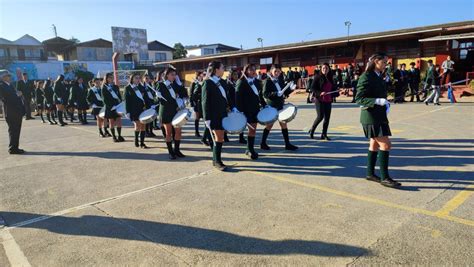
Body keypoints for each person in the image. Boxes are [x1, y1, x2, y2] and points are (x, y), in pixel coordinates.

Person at [355, 52, 401, 188]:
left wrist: (385, 101)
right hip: (371, 116)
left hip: (379, 115)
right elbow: (359, 98)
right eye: (384, 62)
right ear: (376, 61)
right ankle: (384, 177)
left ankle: (370, 173)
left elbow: (378, 93)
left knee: (374, 145)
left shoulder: (378, 75)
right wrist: (377, 101)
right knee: (386, 145)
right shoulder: (366, 76)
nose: (386, 64)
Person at [260, 64, 298, 151]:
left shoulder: (280, 80)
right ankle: (263, 143)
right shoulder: (267, 81)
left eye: (278, 71)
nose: (277, 73)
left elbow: (283, 92)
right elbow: (265, 94)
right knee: (269, 125)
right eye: (275, 71)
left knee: (283, 124)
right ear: (271, 71)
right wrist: (275, 93)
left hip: (280, 105)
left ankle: (287, 144)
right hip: (272, 106)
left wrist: (291, 90)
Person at [202, 61, 230, 170]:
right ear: (216, 69)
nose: (224, 70)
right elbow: (205, 102)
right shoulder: (208, 83)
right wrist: (206, 118)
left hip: (222, 113)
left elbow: (226, 97)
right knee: (219, 137)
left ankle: (215, 159)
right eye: (222, 67)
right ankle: (217, 161)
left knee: (220, 137)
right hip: (214, 115)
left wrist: (232, 107)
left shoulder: (222, 82)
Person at [157, 67, 186, 159]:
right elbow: (160, 100)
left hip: (176, 111)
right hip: (166, 111)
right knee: (168, 132)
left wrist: (180, 84)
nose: (174, 76)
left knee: (178, 132)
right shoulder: (161, 85)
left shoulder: (175, 84)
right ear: (166, 75)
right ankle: (170, 152)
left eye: (175, 75)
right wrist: (158, 96)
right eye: (172, 74)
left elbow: (184, 94)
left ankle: (177, 150)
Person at [236, 64, 262, 160]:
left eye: (254, 69)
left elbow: (259, 95)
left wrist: (263, 105)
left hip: (255, 109)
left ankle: (249, 149)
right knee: (250, 129)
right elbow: (238, 98)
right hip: (246, 110)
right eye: (251, 70)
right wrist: (240, 111)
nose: (253, 71)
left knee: (253, 129)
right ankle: (250, 149)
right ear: (246, 71)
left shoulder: (256, 82)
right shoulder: (241, 81)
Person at [0, 70, 26, 154]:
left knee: (16, 130)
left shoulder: (10, 85)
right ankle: (12, 148)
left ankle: (15, 147)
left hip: (16, 111)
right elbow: (5, 98)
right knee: (13, 130)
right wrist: (17, 95)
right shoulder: (1, 86)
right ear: (3, 77)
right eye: (8, 76)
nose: (10, 77)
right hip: (11, 112)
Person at [309, 63, 336, 140]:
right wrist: (320, 93)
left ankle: (324, 134)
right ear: (321, 69)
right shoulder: (317, 77)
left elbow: (332, 88)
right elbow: (312, 88)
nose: (325, 69)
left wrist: (337, 92)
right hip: (320, 100)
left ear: (328, 69)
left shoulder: (330, 77)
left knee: (327, 118)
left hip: (328, 100)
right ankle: (312, 130)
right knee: (320, 117)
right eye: (323, 68)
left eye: (326, 68)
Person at [125, 73, 148, 148]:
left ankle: (142, 143)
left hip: (142, 109)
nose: (138, 80)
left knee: (143, 126)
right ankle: (136, 141)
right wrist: (127, 111)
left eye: (139, 78)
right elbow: (127, 101)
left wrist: (149, 106)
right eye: (136, 78)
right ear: (132, 79)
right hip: (134, 110)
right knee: (137, 125)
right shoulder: (128, 88)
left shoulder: (142, 87)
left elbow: (146, 99)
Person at [101, 73, 125, 142]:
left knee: (119, 121)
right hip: (110, 107)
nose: (111, 78)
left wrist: (120, 102)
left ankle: (119, 136)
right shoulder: (104, 87)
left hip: (117, 106)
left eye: (112, 77)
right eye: (110, 77)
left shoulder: (115, 86)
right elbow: (104, 99)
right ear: (106, 79)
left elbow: (119, 96)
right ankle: (114, 137)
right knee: (111, 122)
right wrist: (111, 106)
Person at [226, 69, 247, 144]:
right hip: (232, 105)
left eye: (236, 74)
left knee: (241, 121)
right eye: (234, 74)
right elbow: (228, 96)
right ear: (231, 75)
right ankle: (225, 135)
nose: (236, 76)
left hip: (239, 104)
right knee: (229, 121)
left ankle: (241, 137)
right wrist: (230, 106)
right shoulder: (228, 84)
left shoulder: (238, 82)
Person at [190, 71, 204, 138]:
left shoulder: (204, 82)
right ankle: (196, 131)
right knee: (197, 118)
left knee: (205, 118)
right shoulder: (194, 83)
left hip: (203, 103)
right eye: (201, 75)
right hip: (197, 103)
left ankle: (206, 133)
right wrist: (192, 104)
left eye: (203, 75)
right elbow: (191, 94)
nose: (202, 77)